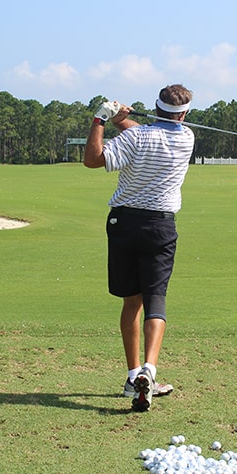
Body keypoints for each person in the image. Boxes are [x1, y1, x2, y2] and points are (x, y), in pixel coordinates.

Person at [83, 84, 195, 412]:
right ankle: (150, 368)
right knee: (155, 300)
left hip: (123, 224)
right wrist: (122, 120)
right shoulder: (186, 137)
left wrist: (101, 120)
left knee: (131, 301)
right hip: (160, 227)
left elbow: (93, 159)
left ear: (155, 107)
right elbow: (151, 135)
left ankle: (134, 376)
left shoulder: (137, 138)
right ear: (184, 114)